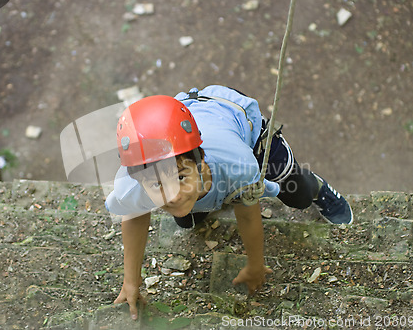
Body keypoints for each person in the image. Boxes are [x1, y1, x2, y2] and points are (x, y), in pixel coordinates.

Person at [105, 85, 353, 320]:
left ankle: (315, 185)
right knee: (186, 218)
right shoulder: (134, 182)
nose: (173, 195)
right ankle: (204, 191)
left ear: (201, 162)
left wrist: (255, 264)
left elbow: (247, 213)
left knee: (297, 196)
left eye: (180, 177)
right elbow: (135, 215)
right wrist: (131, 282)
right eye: (157, 185)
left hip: (235, 115)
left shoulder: (239, 166)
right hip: (186, 125)